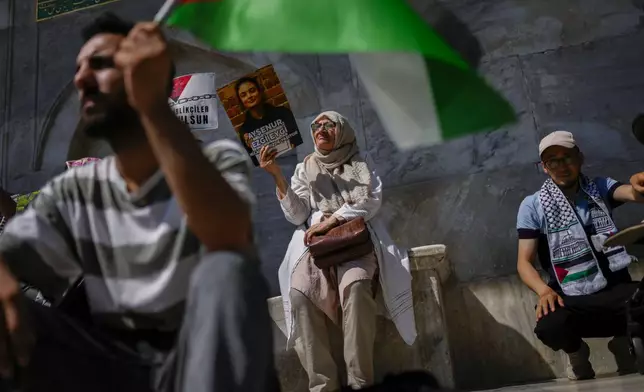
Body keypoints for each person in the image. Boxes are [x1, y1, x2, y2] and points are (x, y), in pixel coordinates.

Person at [0, 13, 278, 392]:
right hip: (110, 366)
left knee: (226, 271)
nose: (80, 79)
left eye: (99, 64)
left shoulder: (217, 161)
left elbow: (227, 235)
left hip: (197, 364)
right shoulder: (76, 190)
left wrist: (153, 107)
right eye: (79, 67)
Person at [259, 111, 416, 391]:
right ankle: (322, 386)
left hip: (353, 240)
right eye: (316, 125)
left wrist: (333, 219)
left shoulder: (361, 161)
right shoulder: (305, 167)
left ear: (341, 131)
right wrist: (277, 177)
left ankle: (360, 382)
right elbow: (297, 216)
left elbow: (371, 200)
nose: (321, 129)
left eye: (329, 125)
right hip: (317, 246)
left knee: (356, 287)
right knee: (299, 295)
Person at [516, 130, 644, 381]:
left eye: (567, 157)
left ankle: (623, 341)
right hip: (572, 299)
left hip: (617, 292)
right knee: (549, 324)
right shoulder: (532, 206)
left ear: (580, 158)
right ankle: (576, 352)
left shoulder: (599, 187)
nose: (561, 166)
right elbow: (524, 263)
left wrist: (638, 181)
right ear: (544, 167)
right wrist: (544, 291)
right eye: (553, 160)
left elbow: (632, 192)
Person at [235, 76, 302, 165]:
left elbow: (299, 138)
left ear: (259, 91)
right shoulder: (244, 131)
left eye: (252, 91)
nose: (249, 96)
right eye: (243, 95)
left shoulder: (282, 113)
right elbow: (254, 162)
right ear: (241, 101)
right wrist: (253, 150)